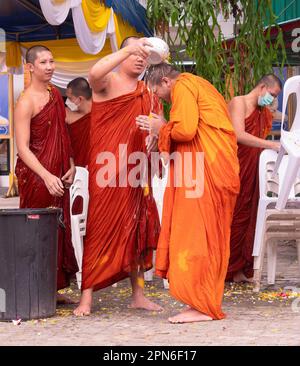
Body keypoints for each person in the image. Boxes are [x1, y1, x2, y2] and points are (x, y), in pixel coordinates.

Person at [136, 63, 240, 323]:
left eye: (158, 93)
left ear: (165, 81)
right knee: (208, 235)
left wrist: (161, 127)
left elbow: (185, 130)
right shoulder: (199, 84)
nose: (161, 98)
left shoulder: (183, 86)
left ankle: (203, 305)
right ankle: (202, 300)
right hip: (215, 168)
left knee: (196, 234)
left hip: (206, 172)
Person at [74, 37, 162, 316]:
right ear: (122, 54)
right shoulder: (108, 82)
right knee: (99, 229)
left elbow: (159, 126)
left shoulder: (147, 91)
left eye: (144, 56)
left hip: (136, 171)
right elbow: (93, 75)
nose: (140, 58)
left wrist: (155, 138)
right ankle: (85, 298)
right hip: (107, 172)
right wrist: (128, 47)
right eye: (135, 53)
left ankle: (138, 294)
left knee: (136, 230)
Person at [15, 45, 78, 303]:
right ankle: (35, 288)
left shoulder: (55, 94)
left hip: (60, 174)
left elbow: (63, 133)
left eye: (52, 61)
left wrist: (71, 164)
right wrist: (45, 175)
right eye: (44, 62)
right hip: (37, 176)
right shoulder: (25, 102)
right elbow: (22, 148)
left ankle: (53, 288)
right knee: (37, 230)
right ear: (30, 67)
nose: (50, 66)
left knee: (59, 231)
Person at [226, 74, 282, 283]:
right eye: (272, 94)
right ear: (261, 87)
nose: (272, 100)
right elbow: (238, 134)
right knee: (234, 216)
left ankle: (240, 270)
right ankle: (227, 268)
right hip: (235, 167)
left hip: (253, 170)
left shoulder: (262, 111)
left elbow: (280, 116)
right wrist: (272, 145)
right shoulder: (238, 102)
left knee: (249, 218)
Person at [65, 77, 92, 168]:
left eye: (69, 98)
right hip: (75, 169)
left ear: (80, 99)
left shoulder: (100, 115)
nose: (67, 102)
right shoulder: (67, 114)